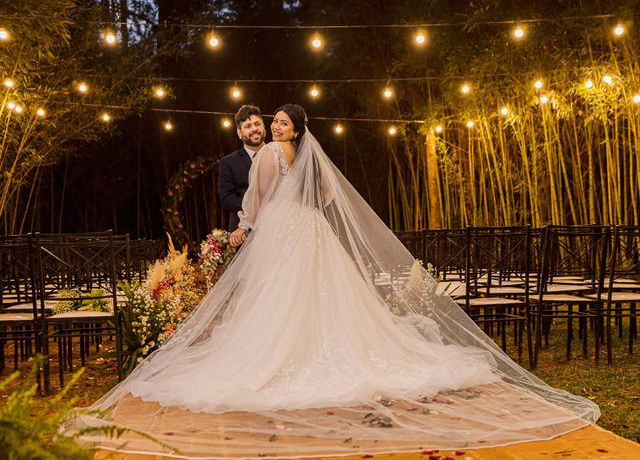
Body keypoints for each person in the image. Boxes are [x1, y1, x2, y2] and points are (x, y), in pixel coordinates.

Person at [68, 104, 599, 459]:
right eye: (270, 122)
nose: (273, 127)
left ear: (292, 128)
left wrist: (246, 226)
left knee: (280, 300)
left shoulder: (274, 155)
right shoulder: (308, 157)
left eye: (279, 121)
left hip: (281, 229)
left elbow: (257, 199)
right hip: (311, 229)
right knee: (318, 297)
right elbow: (320, 200)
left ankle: (287, 358)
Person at [218, 104, 266, 232]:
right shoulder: (228, 162)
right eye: (248, 126)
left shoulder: (278, 155)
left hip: (276, 228)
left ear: (263, 126)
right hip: (242, 233)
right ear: (239, 133)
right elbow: (227, 200)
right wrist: (256, 203)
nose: (254, 129)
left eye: (257, 124)